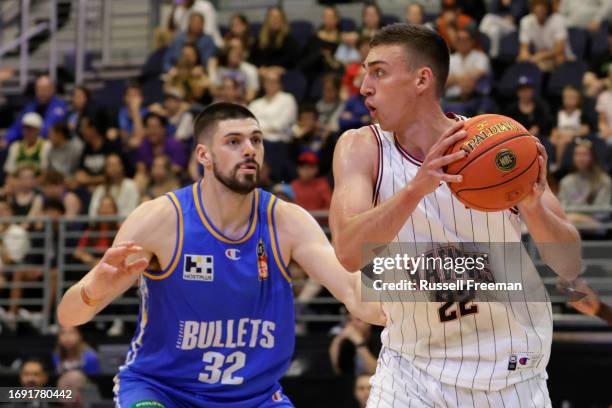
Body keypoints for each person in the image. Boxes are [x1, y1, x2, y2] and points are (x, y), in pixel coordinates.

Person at [57, 102, 384, 407]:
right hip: (162, 391)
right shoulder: (160, 219)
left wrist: (434, 270)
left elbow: (358, 293)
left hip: (255, 397)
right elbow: (69, 316)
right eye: (233, 141)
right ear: (204, 155)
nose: (249, 150)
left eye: (256, 140)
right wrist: (94, 289)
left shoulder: (287, 220)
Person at [330, 23, 582, 406]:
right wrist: (416, 188)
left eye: (378, 71)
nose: (364, 86)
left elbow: (570, 264)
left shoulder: (498, 144)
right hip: (410, 369)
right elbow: (349, 252)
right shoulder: (360, 148)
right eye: (366, 71)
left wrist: (530, 203)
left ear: (422, 79)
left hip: (510, 373)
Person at [558, 139, 612, 228]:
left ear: (593, 157)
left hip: (597, 226)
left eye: (585, 154)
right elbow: (562, 208)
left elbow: (602, 213)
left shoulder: (604, 181)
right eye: (577, 154)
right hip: (571, 224)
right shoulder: (566, 181)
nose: (580, 158)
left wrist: (578, 217)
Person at [5, 75, 68, 144]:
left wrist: (28, 133)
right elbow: (17, 125)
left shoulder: (59, 106)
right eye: (39, 89)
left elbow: (47, 128)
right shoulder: (31, 106)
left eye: (45, 89)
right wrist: (7, 139)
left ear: (52, 89)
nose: (42, 93)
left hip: (50, 144)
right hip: (27, 142)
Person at [518, 0, 574, 72]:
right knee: (520, 60)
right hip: (538, 57)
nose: (539, 9)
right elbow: (523, 48)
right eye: (536, 5)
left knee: (559, 57)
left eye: (543, 6)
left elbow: (559, 49)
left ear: (548, 7)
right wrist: (526, 58)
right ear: (532, 7)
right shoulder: (525, 21)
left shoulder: (558, 19)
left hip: (563, 57)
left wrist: (539, 56)